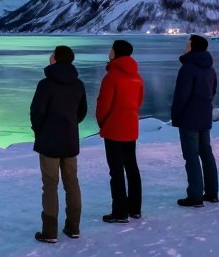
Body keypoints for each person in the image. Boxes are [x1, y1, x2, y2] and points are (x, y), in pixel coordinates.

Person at [29, 44, 88, 243]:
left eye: (53, 53)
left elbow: (37, 113)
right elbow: (82, 112)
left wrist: (40, 130)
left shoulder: (45, 85)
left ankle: (49, 231)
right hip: (70, 140)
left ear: (56, 58)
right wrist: (70, 124)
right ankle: (73, 227)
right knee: (72, 184)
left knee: (50, 185)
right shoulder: (78, 84)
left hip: (49, 141)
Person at [96, 39, 144, 223]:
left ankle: (120, 212)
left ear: (116, 52)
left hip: (114, 128)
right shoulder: (136, 76)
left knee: (116, 171)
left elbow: (103, 105)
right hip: (131, 126)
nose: (109, 52)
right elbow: (139, 101)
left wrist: (103, 123)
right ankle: (135, 208)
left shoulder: (112, 77)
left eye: (111, 49)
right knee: (132, 167)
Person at [171, 34, 219, 207]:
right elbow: (213, 91)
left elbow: (181, 96)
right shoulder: (210, 69)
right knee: (206, 153)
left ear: (193, 46)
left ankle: (195, 195)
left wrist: (176, 115)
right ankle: (212, 192)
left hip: (189, 118)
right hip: (205, 115)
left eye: (188, 43)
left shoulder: (188, 68)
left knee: (191, 156)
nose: (185, 45)